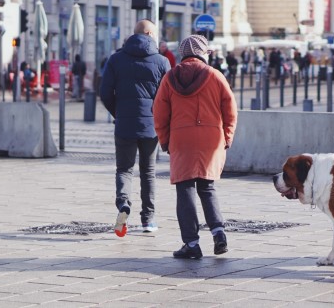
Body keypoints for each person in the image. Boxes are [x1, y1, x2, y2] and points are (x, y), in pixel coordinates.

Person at [153, 35, 238, 259]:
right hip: (211, 138)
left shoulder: (170, 78)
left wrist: (164, 140)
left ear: (182, 54)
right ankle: (219, 234)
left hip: (181, 139)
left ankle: (191, 243)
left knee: (185, 189)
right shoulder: (215, 76)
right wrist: (227, 137)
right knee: (207, 187)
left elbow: (159, 113)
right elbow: (230, 109)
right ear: (203, 54)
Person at [99, 19, 171, 237]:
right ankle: (148, 220)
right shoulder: (161, 62)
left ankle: (123, 203)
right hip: (151, 126)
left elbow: (104, 92)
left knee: (124, 170)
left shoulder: (116, 59)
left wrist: (118, 112)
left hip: (124, 124)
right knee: (148, 172)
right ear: (149, 34)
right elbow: (167, 97)